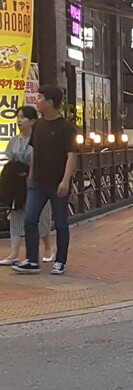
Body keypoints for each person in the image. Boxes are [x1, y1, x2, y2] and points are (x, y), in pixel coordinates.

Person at [12, 85, 77, 275]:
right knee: (30, 219)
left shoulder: (66, 128)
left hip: (58, 183)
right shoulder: (38, 125)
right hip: (37, 183)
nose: (36, 100)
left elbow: (72, 155)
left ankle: (60, 261)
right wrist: (31, 174)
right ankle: (32, 260)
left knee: (61, 223)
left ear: (50, 102)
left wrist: (65, 181)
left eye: (40, 97)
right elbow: (34, 151)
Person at [0, 106, 55, 266]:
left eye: (23, 117)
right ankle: (14, 254)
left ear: (32, 121)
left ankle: (47, 248)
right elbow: (9, 158)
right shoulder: (14, 141)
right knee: (16, 216)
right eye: (18, 117)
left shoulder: (39, 140)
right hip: (17, 186)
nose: (19, 121)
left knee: (41, 216)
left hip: (36, 184)